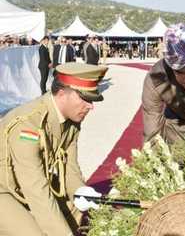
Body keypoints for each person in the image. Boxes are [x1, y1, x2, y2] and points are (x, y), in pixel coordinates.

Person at [0, 62, 108, 236]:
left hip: (26, 187)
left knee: (76, 205)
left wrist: (80, 189)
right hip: (4, 191)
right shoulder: (28, 125)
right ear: (62, 94)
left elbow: (69, 168)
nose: (91, 106)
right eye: (85, 99)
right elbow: (35, 189)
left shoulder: (72, 123)